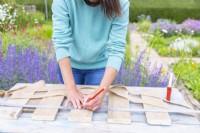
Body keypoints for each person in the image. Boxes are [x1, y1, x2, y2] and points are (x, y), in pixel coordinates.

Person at [52, 0, 129, 111]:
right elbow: (61, 42)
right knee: (71, 111)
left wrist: (101, 91)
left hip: (101, 67)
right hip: (70, 66)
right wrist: (71, 88)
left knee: (95, 111)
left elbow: (117, 49)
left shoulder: (121, 3)